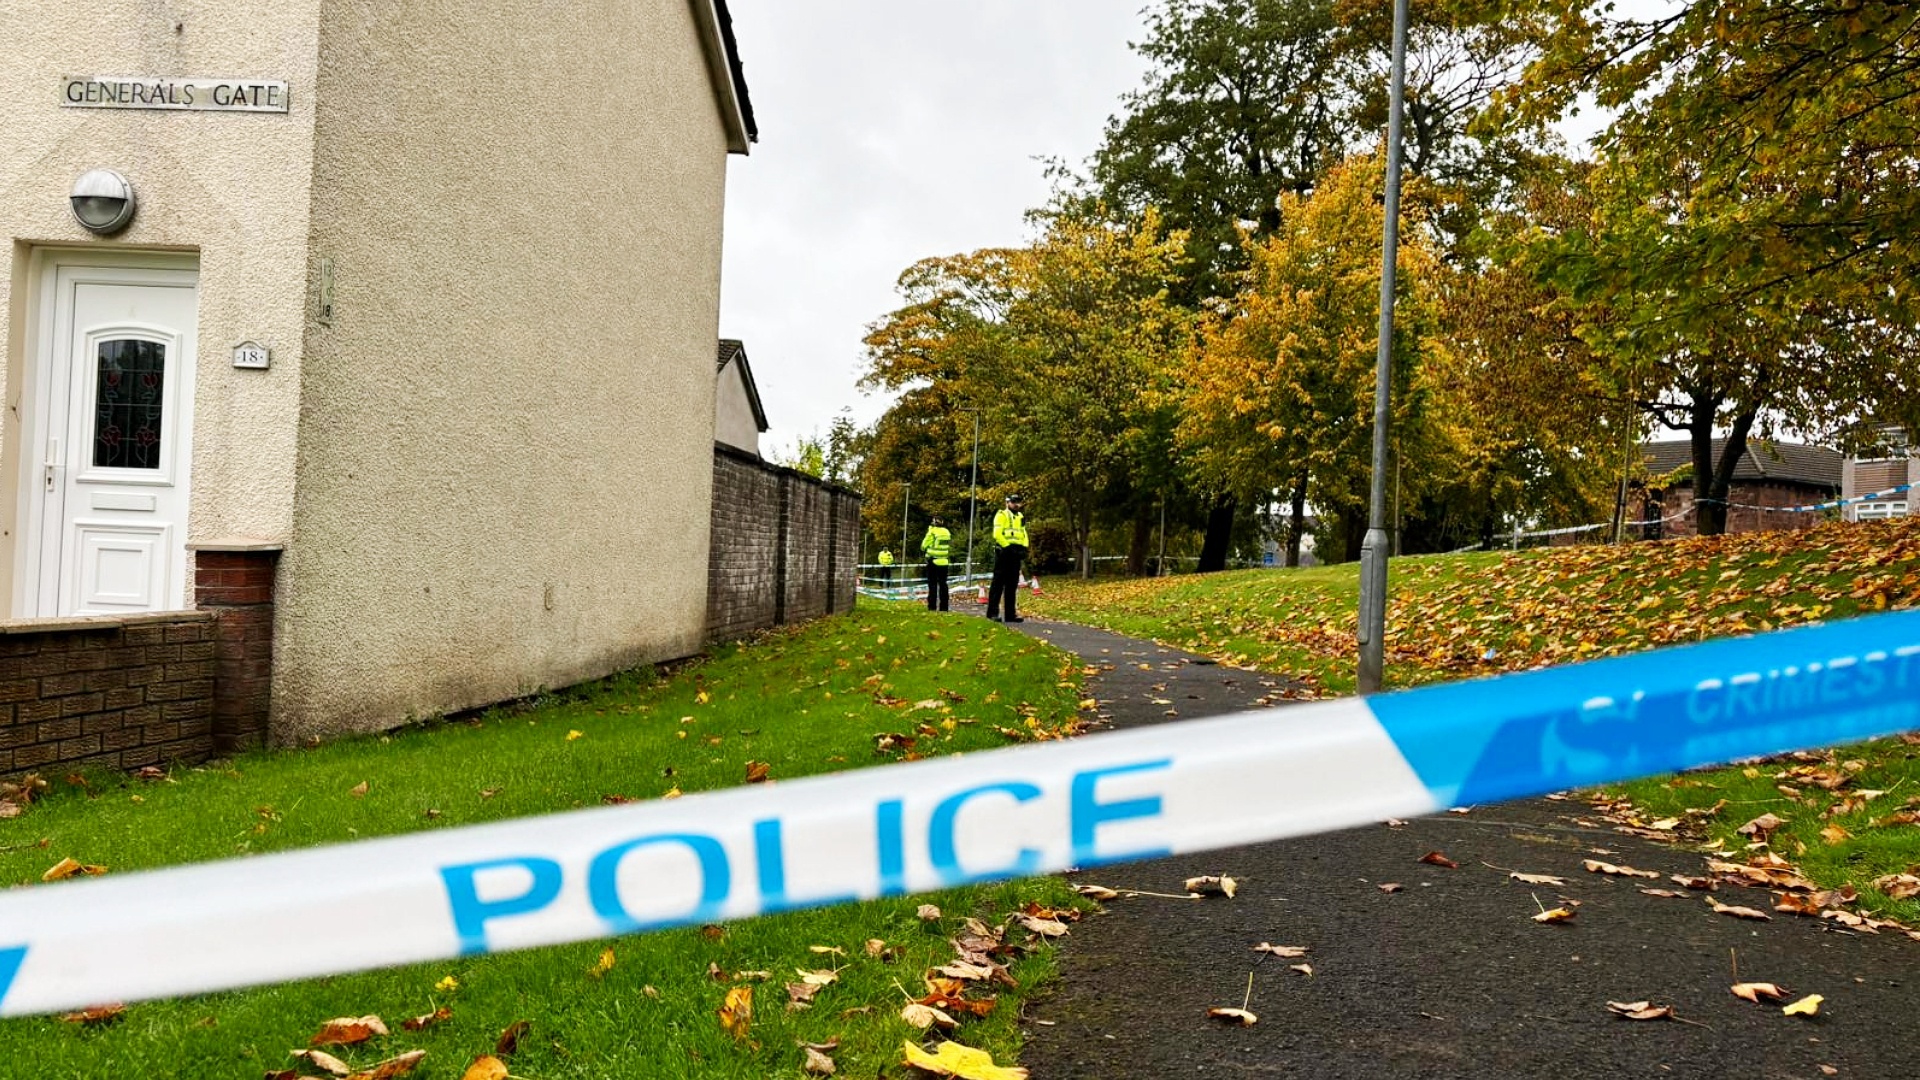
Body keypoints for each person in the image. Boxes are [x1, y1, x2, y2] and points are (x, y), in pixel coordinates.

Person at [987, 493, 1029, 623]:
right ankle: (992, 613)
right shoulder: (1001, 515)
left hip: (1016, 552)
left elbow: (1023, 533)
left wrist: (1025, 547)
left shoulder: (1020, 516)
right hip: (1004, 552)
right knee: (998, 584)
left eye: (1018, 502)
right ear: (1007, 502)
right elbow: (997, 534)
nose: (1016, 504)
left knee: (1012, 585)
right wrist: (1008, 548)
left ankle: (1010, 614)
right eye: (1013, 502)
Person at [921, 515, 952, 611]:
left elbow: (923, 546)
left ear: (934, 522)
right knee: (943, 585)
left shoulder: (932, 532)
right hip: (944, 561)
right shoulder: (947, 532)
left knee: (932, 585)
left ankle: (932, 607)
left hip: (933, 561)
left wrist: (929, 531)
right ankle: (944, 607)